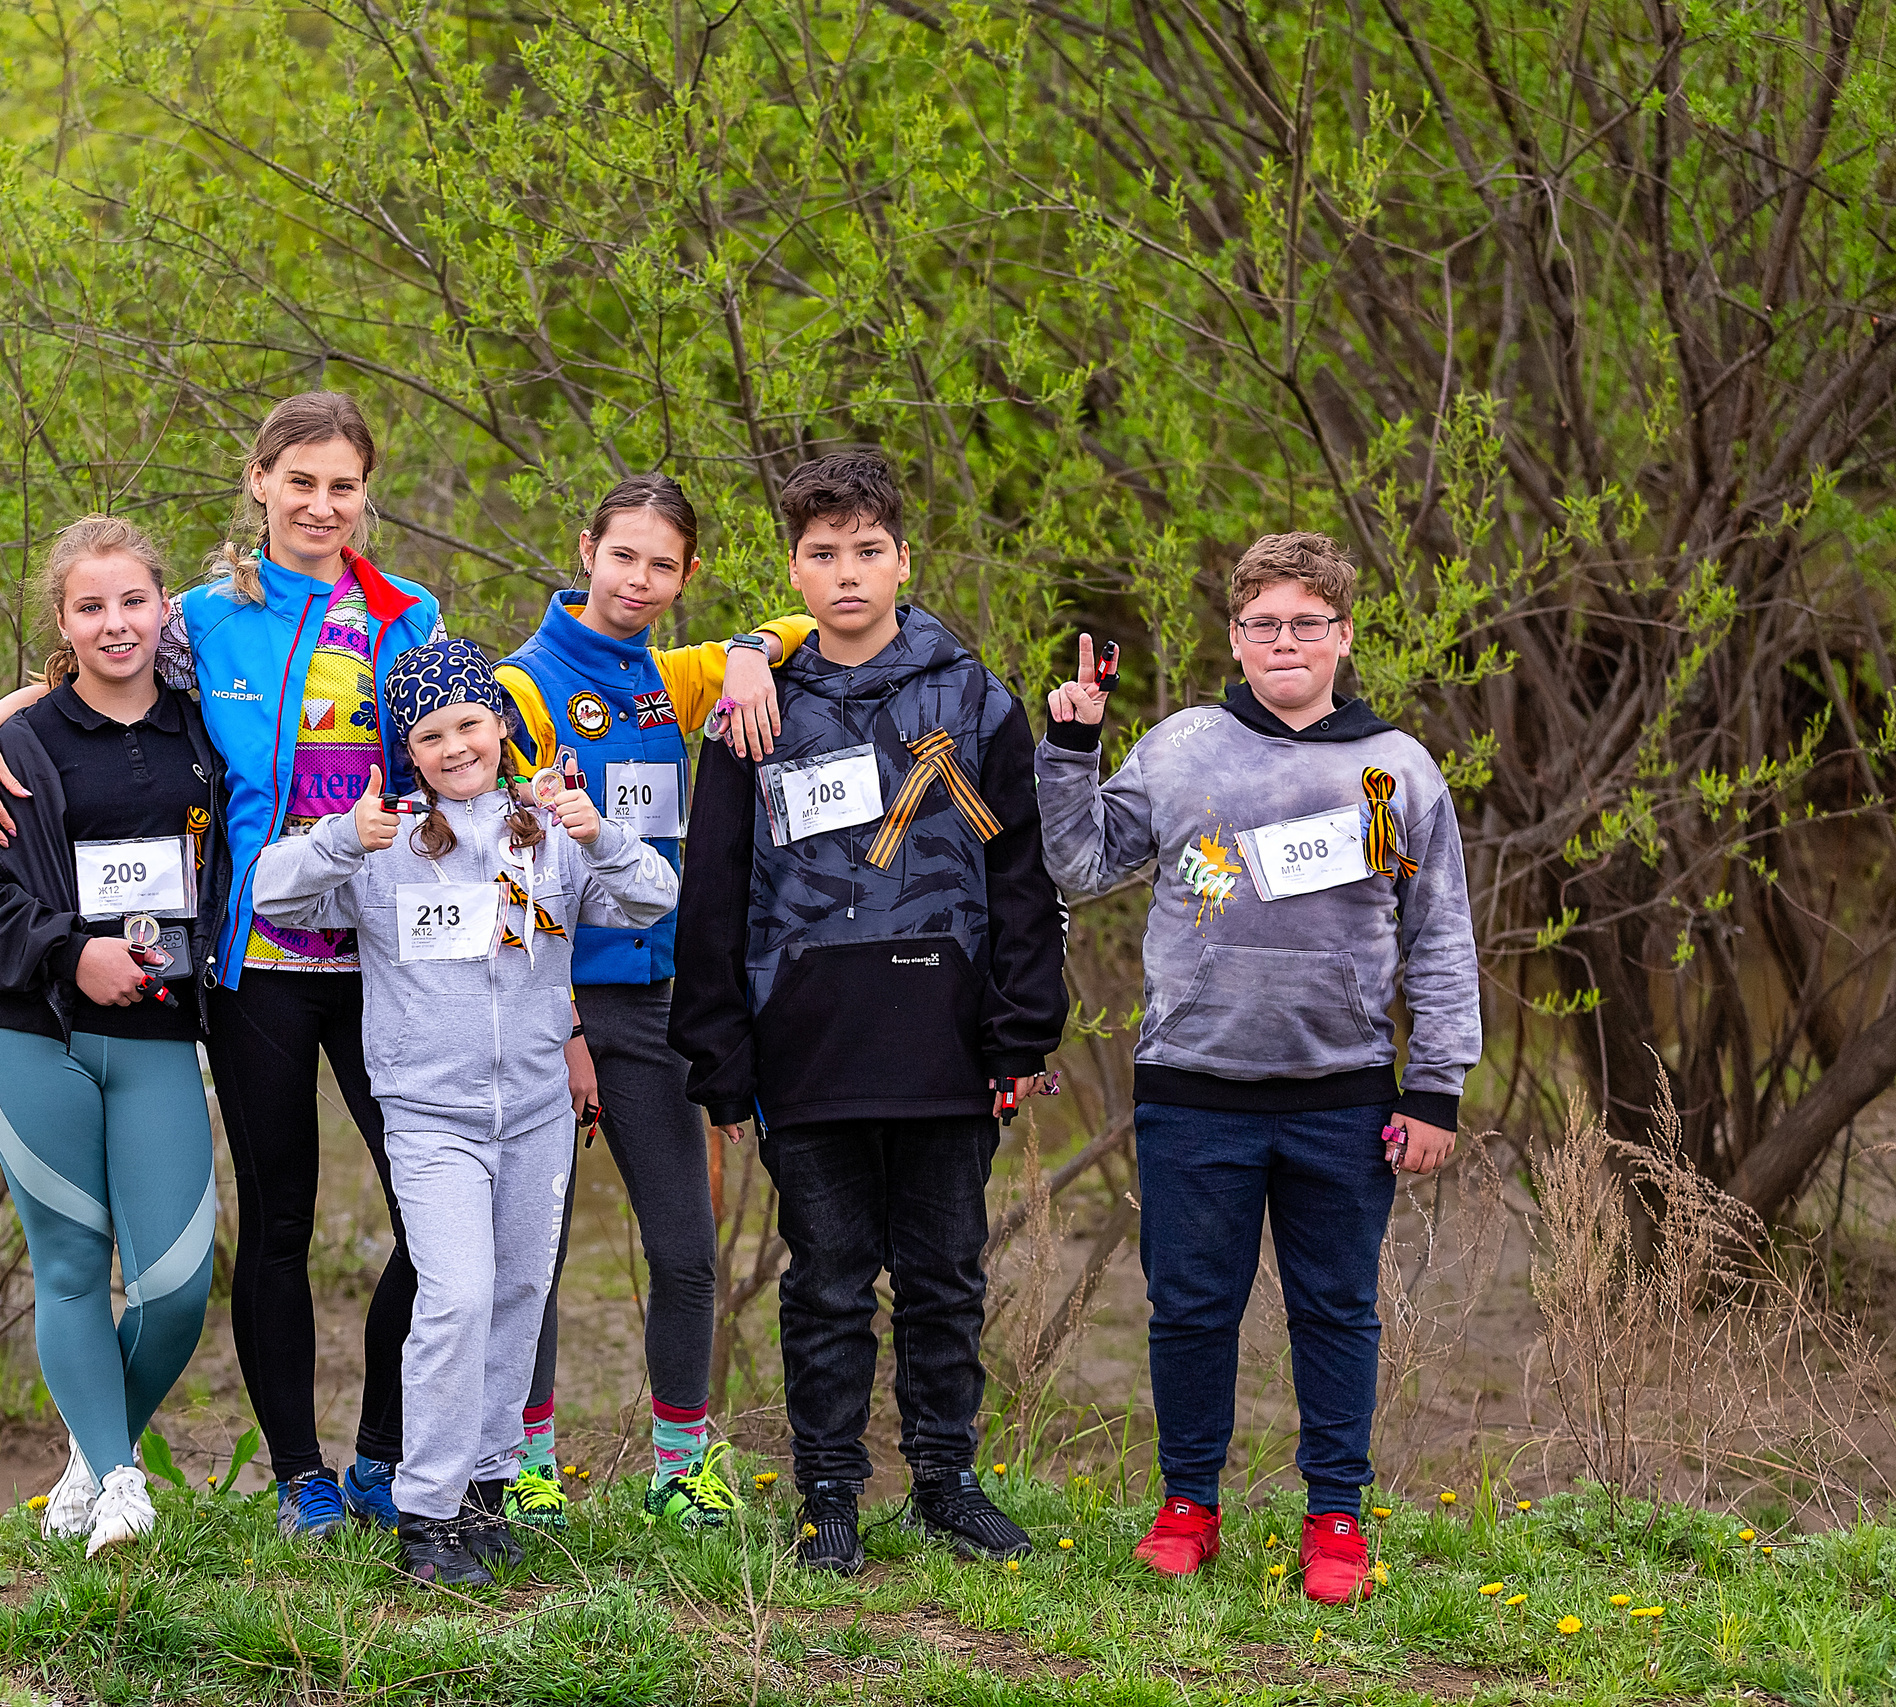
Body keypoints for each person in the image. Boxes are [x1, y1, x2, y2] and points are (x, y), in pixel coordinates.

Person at [0, 393, 446, 1541]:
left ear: (367, 494)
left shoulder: (408, 619)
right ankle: (301, 1479)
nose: (322, 504)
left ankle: (382, 1452)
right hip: (252, 967)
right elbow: (89, 664)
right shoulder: (201, 619)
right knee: (277, 1225)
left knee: (429, 1213)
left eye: (343, 484)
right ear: (259, 482)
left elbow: (458, 750)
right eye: (300, 480)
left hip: (388, 958)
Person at [1030, 531, 1479, 1605]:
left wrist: (1436, 1087)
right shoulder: (1182, 747)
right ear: (1235, 638)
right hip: (1194, 1088)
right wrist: (1069, 746)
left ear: (1343, 637)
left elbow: (1439, 934)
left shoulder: (1396, 770)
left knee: (1335, 1311)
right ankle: (1188, 1505)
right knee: (1188, 1309)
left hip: (1346, 1097)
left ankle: (1336, 1518)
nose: (1287, 642)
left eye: (1308, 624)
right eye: (1265, 624)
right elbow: (1079, 865)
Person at [670, 450, 1068, 1574]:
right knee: (828, 1284)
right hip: (807, 1044)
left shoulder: (971, 696)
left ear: (903, 559)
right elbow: (714, 886)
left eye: (867, 551)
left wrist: (1019, 1028)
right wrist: (720, 1052)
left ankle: (945, 1481)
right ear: (792, 568)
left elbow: (1018, 875)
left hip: (941, 1041)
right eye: (821, 553)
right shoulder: (754, 707)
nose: (846, 573)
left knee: (945, 1278)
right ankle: (829, 1495)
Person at [252, 638, 680, 1585]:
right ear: (409, 746)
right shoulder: (386, 837)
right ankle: (426, 1509)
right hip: (429, 1113)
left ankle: (486, 1488)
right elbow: (271, 891)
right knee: (456, 1294)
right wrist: (337, 838)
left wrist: (594, 832)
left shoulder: (545, 828)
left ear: (501, 727)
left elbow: (655, 898)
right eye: (433, 733)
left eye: (470, 725)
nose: (455, 746)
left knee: (523, 1290)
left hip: (532, 1108)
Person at [491, 472, 814, 1532]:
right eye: (622, 555)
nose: (638, 580)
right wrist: (568, 1029)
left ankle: (682, 1465)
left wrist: (750, 656)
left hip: (663, 1008)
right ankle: (524, 1464)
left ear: (686, 576)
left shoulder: (668, 680)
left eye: (662, 565)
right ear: (585, 548)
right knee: (531, 1256)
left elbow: (801, 620)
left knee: (684, 1247)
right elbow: (510, 878)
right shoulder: (521, 689)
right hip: (556, 1010)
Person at [0, 516, 227, 1557]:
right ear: (61, 622)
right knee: (68, 1265)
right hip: (35, 1033)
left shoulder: (202, 733)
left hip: (157, 1035)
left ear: (162, 610)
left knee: (178, 1283)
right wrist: (68, 950)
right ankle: (121, 1481)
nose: (116, 624)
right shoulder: (13, 747)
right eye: (91, 606)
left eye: (134, 601)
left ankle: (90, 1458)